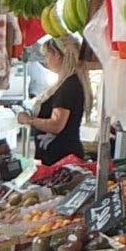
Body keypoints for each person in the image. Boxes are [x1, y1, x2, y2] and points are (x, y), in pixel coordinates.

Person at [18, 36, 90, 166]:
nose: (46, 60)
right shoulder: (69, 83)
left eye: (47, 55)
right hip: (58, 156)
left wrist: (29, 120)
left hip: (62, 158)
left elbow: (56, 125)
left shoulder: (68, 86)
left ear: (57, 55)